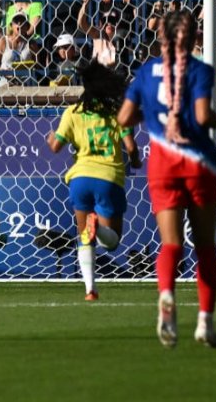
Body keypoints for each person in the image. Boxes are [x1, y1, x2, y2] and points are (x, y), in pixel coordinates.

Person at [117, 9, 216, 349]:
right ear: (191, 39)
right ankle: (205, 322)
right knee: (205, 246)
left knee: (171, 244)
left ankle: (166, 296)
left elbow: (124, 118)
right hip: (198, 164)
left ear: (163, 35)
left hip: (162, 165)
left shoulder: (146, 72)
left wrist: (152, 113)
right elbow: (202, 116)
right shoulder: (200, 70)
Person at [47, 61, 140, 301]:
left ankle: (90, 289)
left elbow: (55, 146)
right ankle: (97, 227)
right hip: (108, 178)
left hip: (79, 179)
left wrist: (50, 138)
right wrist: (136, 161)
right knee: (111, 243)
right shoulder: (116, 113)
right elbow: (131, 147)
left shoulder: (72, 112)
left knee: (84, 238)